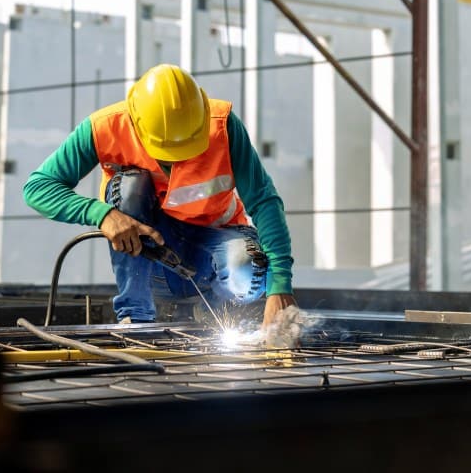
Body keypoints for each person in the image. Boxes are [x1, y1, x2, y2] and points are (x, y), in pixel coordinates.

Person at [23, 64, 296, 328]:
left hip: (214, 246)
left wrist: (280, 287)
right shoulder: (105, 128)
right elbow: (38, 187)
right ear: (137, 125)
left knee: (247, 272)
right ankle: (136, 317)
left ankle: (215, 314)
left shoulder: (223, 127)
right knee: (130, 188)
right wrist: (103, 214)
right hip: (154, 255)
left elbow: (264, 201)